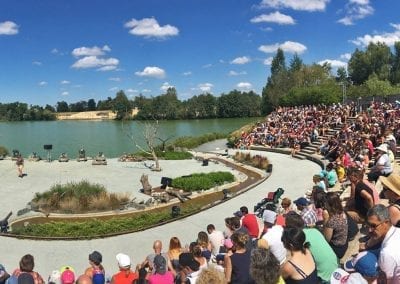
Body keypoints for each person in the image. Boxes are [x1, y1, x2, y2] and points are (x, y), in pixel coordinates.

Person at [285, 211, 338, 283]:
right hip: (336, 265)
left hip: (325, 277)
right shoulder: (314, 230)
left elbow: (296, 262)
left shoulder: (299, 241)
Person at [366, 205, 400, 282]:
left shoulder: (386, 253)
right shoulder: (398, 230)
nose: (369, 230)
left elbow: (385, 281)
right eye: (368, 225)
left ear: (386, 222)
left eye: (373, 226)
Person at [322, 192, 349, 259]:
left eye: (325, 204)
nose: (324, 206)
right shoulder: (342, 212)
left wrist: (325, 220)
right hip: (344, 244)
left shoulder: (332, 221)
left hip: (337, 250)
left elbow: (326, 240)